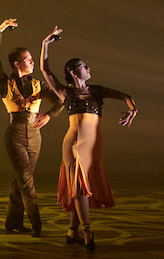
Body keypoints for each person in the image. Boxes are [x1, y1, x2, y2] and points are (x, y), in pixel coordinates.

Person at [39, 26, 138, 251]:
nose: (89, 68)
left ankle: (72, 231)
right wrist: (46, 43)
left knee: (81, 187)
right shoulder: (66, 93)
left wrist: (133, 110)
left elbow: (127, 97)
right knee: (80, 186)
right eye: (84, 67)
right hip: (73, 145)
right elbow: (45, 69)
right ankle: (86, 229)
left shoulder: (97, 91)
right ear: (74, 72)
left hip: (93, 147)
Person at [0, 19, 62, 236]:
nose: (31, 62)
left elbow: (59, 101)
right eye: (27, 59)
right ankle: (37, 223)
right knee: (26, 180)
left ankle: (13, 222)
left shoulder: (39, 85)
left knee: (22, 179)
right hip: (15, 135)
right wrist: (0, 31)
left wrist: (49, 116)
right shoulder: (5, 83)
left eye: (31, 59)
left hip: (36, 135)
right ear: (16, 64)